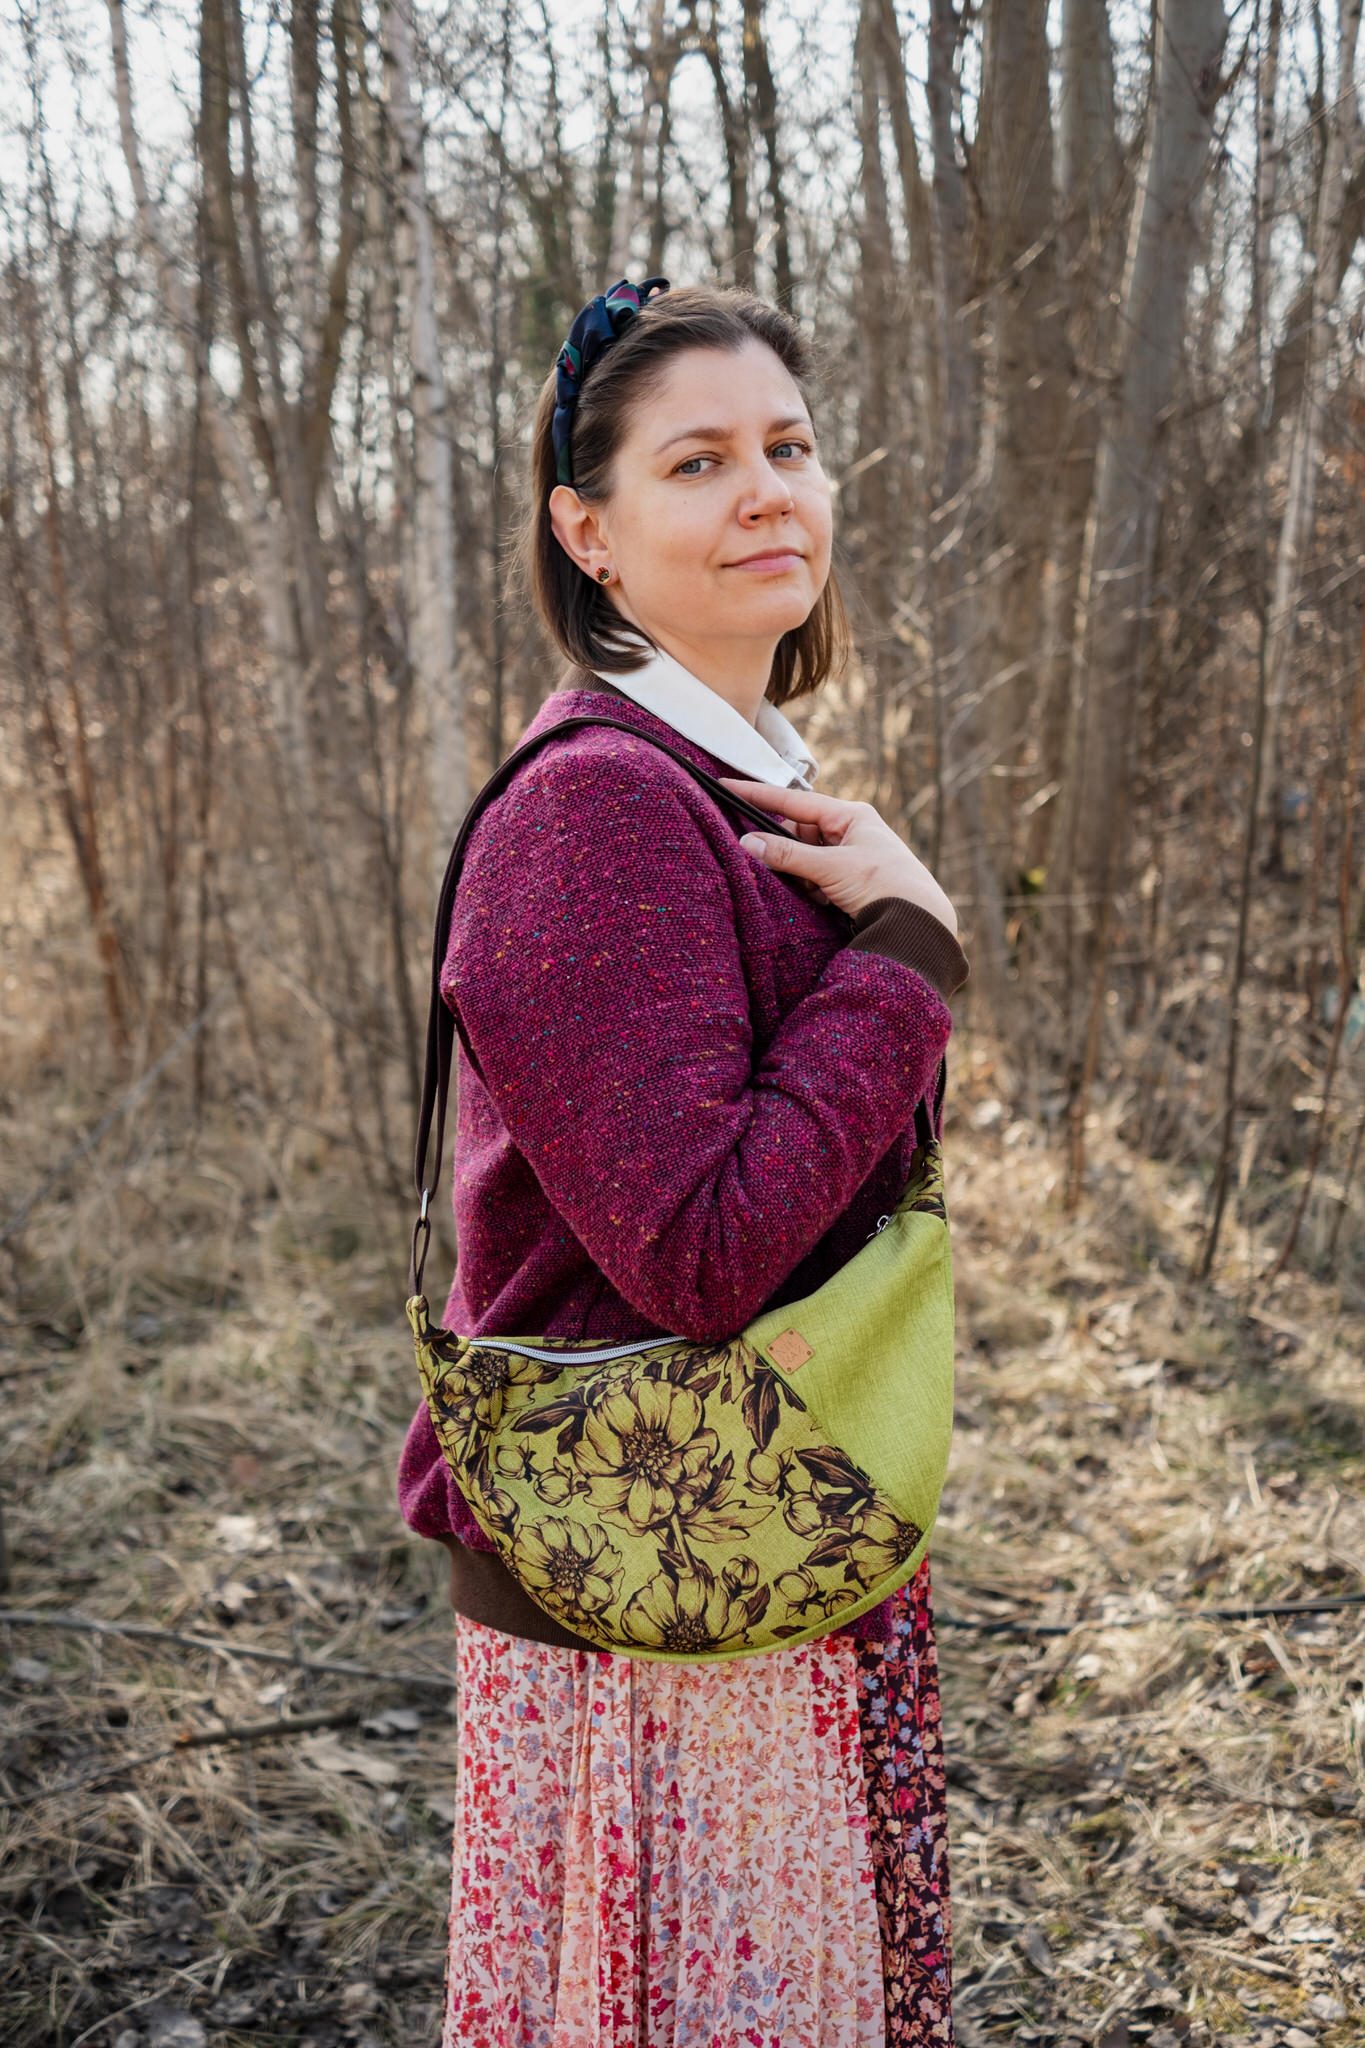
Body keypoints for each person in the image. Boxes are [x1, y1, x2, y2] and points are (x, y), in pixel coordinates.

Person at [396, 278, 969, 2048]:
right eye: (698, 461)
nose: (766, 492)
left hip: (751, 1538)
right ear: (589, 531)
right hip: (655, 1614)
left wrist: (885, 922)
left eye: (788, 446)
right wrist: (908, 953)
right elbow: (703, 1251)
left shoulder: (731, 793)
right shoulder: (597, 812)